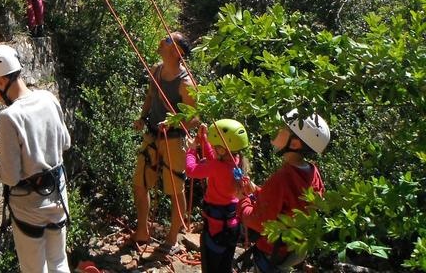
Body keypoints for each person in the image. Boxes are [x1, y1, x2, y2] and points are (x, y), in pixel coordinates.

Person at [0, 45, 72, 273]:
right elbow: (65, 143)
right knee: (59, 262)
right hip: (58, 197)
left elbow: (10, 176)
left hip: (29, 207)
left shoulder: (9, 117)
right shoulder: (48, 98)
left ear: (1, 81)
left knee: (34, 269)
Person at [237, 109, 330, 272]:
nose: (276, 129)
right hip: (295, 249)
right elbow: (290, 204)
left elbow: (258, 222)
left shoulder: (281, 179)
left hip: (273, 251)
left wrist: (243, 199)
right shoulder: (312, 171)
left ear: (294, 144)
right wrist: (257, 191)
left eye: (282, 128)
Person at [130, 32, 196, 255]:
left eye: (167, 40)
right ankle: (142, 231)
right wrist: (142, 117)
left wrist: (175, 123)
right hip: (152, 134)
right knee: (140, 183)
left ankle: (172, 238)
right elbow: (151, 96)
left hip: (174, 140)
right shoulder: (157, 70)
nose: (161, 41)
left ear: (177, 52)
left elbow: (195, 117)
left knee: (175, 190)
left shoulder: (185, 84)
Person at [186, 119, 251, 273]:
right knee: (225, 266)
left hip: (215, 229)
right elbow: (213, 159)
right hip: (232, 226)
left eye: (215, 146)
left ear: (222, 150)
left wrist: (192, 150)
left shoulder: (217, 167)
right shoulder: (237, 162)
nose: (213, 148)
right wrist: (204, 139)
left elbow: (191, 170)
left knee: (211, 267)